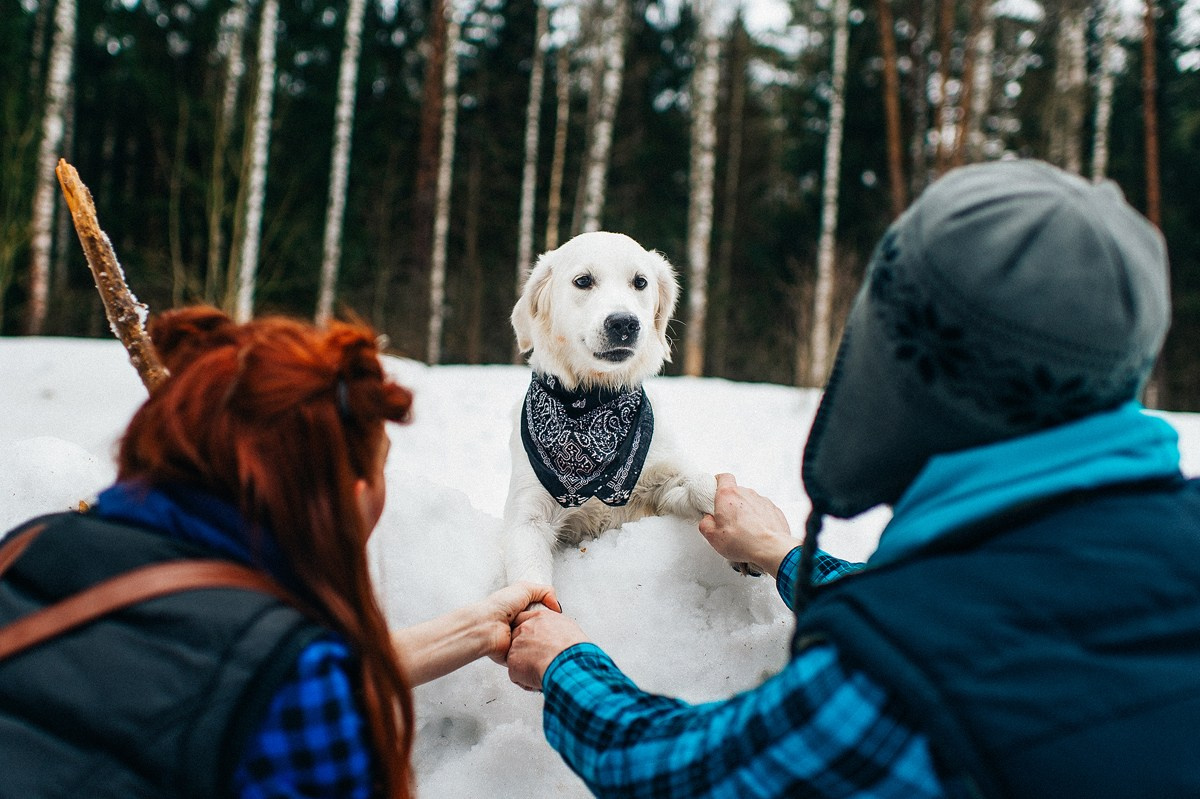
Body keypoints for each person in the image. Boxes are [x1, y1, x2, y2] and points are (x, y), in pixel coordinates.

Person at [506, 159, 1200, 798]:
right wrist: (785, 557)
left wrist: (571, 667)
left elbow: (689, 771)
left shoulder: (904, 679)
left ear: (901, 370)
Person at [0, 306, 559, 799]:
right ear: (349, 498)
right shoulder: (302, 688)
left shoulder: (27, 550)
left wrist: (474, 628)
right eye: (378, 469)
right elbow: (263, 681)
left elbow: (194, 676)